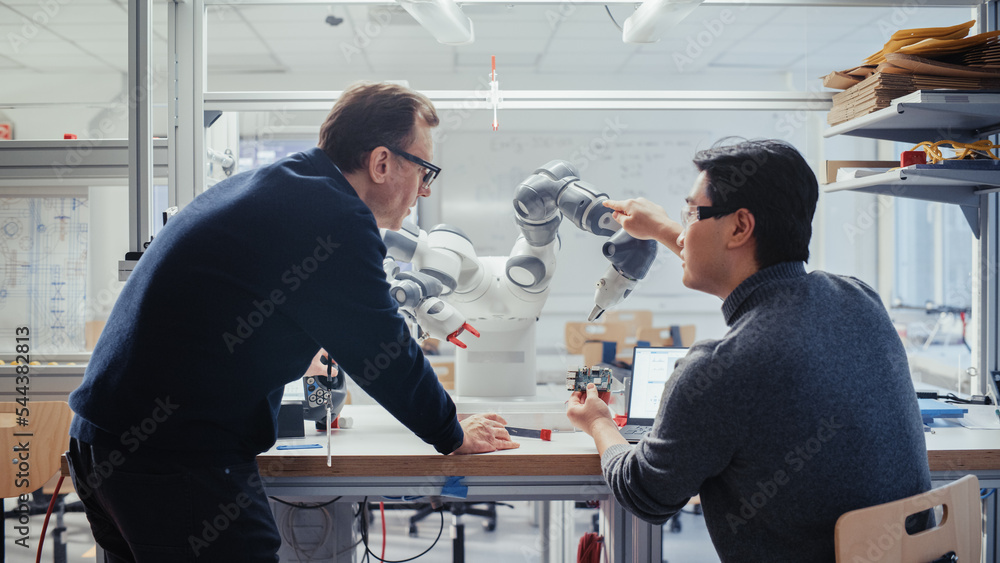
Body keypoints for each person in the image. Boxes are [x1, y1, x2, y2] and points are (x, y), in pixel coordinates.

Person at [67, 81, 518, 562]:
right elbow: (382, 350)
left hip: (106, 443)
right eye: (424, 169)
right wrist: (451, 432)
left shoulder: (284, 184)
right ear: (382, 162)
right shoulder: (335, 217)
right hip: (173, 457)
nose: (424, 189)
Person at [566, 139, 930, 562]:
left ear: (740, 227)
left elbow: (646, 493)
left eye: (693, 213)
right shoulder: (858, 298)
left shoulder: (722, 368)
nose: (684, 229)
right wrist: (664, 226)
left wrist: (598, 423)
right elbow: (754, 288)